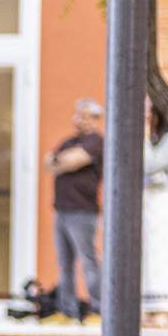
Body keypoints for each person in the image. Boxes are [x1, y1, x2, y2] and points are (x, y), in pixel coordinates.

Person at [49, 99, 104, 321]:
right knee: (64, 264)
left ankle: (98, 308)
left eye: (83, 115)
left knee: (88, 261)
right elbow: (49, 163)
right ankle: (66, 309)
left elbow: (72, 161)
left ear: (94, 119)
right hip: (61, 210)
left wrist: (62, 161)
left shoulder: (96, 142)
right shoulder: (69, 141)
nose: (77, 119)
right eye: (77, 114)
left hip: (83, 212)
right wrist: (62, 160)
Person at [142, 98, 168, 328]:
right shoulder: (152, 139)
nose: (145, 115)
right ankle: (149, 308)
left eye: (148, 110)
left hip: (161, 200)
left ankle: (163, 310)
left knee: (160, 253)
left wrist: (144, 134)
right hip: (146, 201)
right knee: (147, 255)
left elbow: (149, 164)